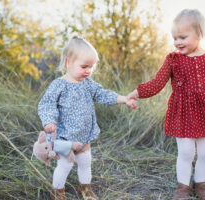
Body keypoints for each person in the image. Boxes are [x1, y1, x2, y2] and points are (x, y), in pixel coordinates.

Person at [127, 9, 205, 200]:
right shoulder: (173, 59)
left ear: (199, 34)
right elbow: (157, 83)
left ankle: (200, 186)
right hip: (182, 113)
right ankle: (183, 188)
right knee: (185, 152)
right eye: (174, 38)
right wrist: (136, 93)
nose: (177, 42)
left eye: (183, 37)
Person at [38, 36, 137, 200]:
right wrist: (49, 121)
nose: (88, 71)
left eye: (91, 67)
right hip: (64, 137)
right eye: (83, 66)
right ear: (68, 63)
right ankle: (57, 193)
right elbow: (47, 104)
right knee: (65, 165)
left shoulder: (88, 84)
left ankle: (85, 190)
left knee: (85, 163)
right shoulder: (59, 85)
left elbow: (103, 94)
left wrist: (124, 99)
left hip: (84, 136)